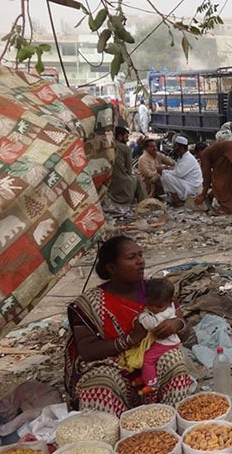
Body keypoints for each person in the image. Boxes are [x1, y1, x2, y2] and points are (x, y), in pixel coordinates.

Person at [64, 236, 195, 415]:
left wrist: (177, 324)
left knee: (173, 359)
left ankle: (170, 423)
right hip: (114, 367)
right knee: (100, 384)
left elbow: (185, 335)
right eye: (131, 257)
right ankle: (113, 437)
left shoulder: (157, 290)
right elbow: (86, 351)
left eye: (140, 255)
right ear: (112, 268)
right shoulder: (89, 304)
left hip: (153, 367)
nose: (140, 261)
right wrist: (130, 339)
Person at [119, 277, 181, 400]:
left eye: (158, 307)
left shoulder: (164, 314)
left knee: (147, 359)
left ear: (169, 302)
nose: (153, 309)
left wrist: (140, 317)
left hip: (167, 343)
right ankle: (146, 376)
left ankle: (151, 383)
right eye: (150, 305)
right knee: (144, 354)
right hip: (163, 342)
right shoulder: (166, 306)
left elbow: (151, 324)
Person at [108, 126, 146, 206]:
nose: (128, 140)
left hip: (108, 181)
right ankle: (144, 203)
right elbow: (129, 169)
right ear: (119, 137)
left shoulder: (107, 146)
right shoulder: (125, 148)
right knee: (137, 179)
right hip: (122, 181)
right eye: (126, 137)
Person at [161, 135, 203, 207]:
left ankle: (177, 200)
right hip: (186, 182)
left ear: (181, 147)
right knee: (165, 175)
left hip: (192, 186)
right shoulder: (182, 157)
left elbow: (178, 174)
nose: (174, 148)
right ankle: (174, 197)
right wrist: (166, 169)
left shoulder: (188, 158)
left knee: (166, 176)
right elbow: (176, 170)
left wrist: (164, 170)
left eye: (175, 146)